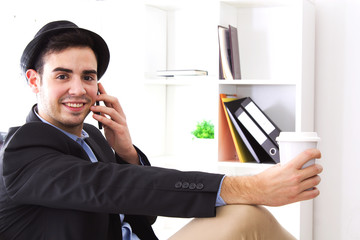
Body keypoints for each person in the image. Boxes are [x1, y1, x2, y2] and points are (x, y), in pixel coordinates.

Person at [0, 20, 322, 240]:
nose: (78, 89)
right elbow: (110, 186)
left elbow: (143, 214)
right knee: (246, 214)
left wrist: (126, 151)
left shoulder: (95, 138)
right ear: (34, 81)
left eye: (87, 77)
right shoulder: (21, 149)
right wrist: (251, 186)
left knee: (246, 213)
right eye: (62, 76)